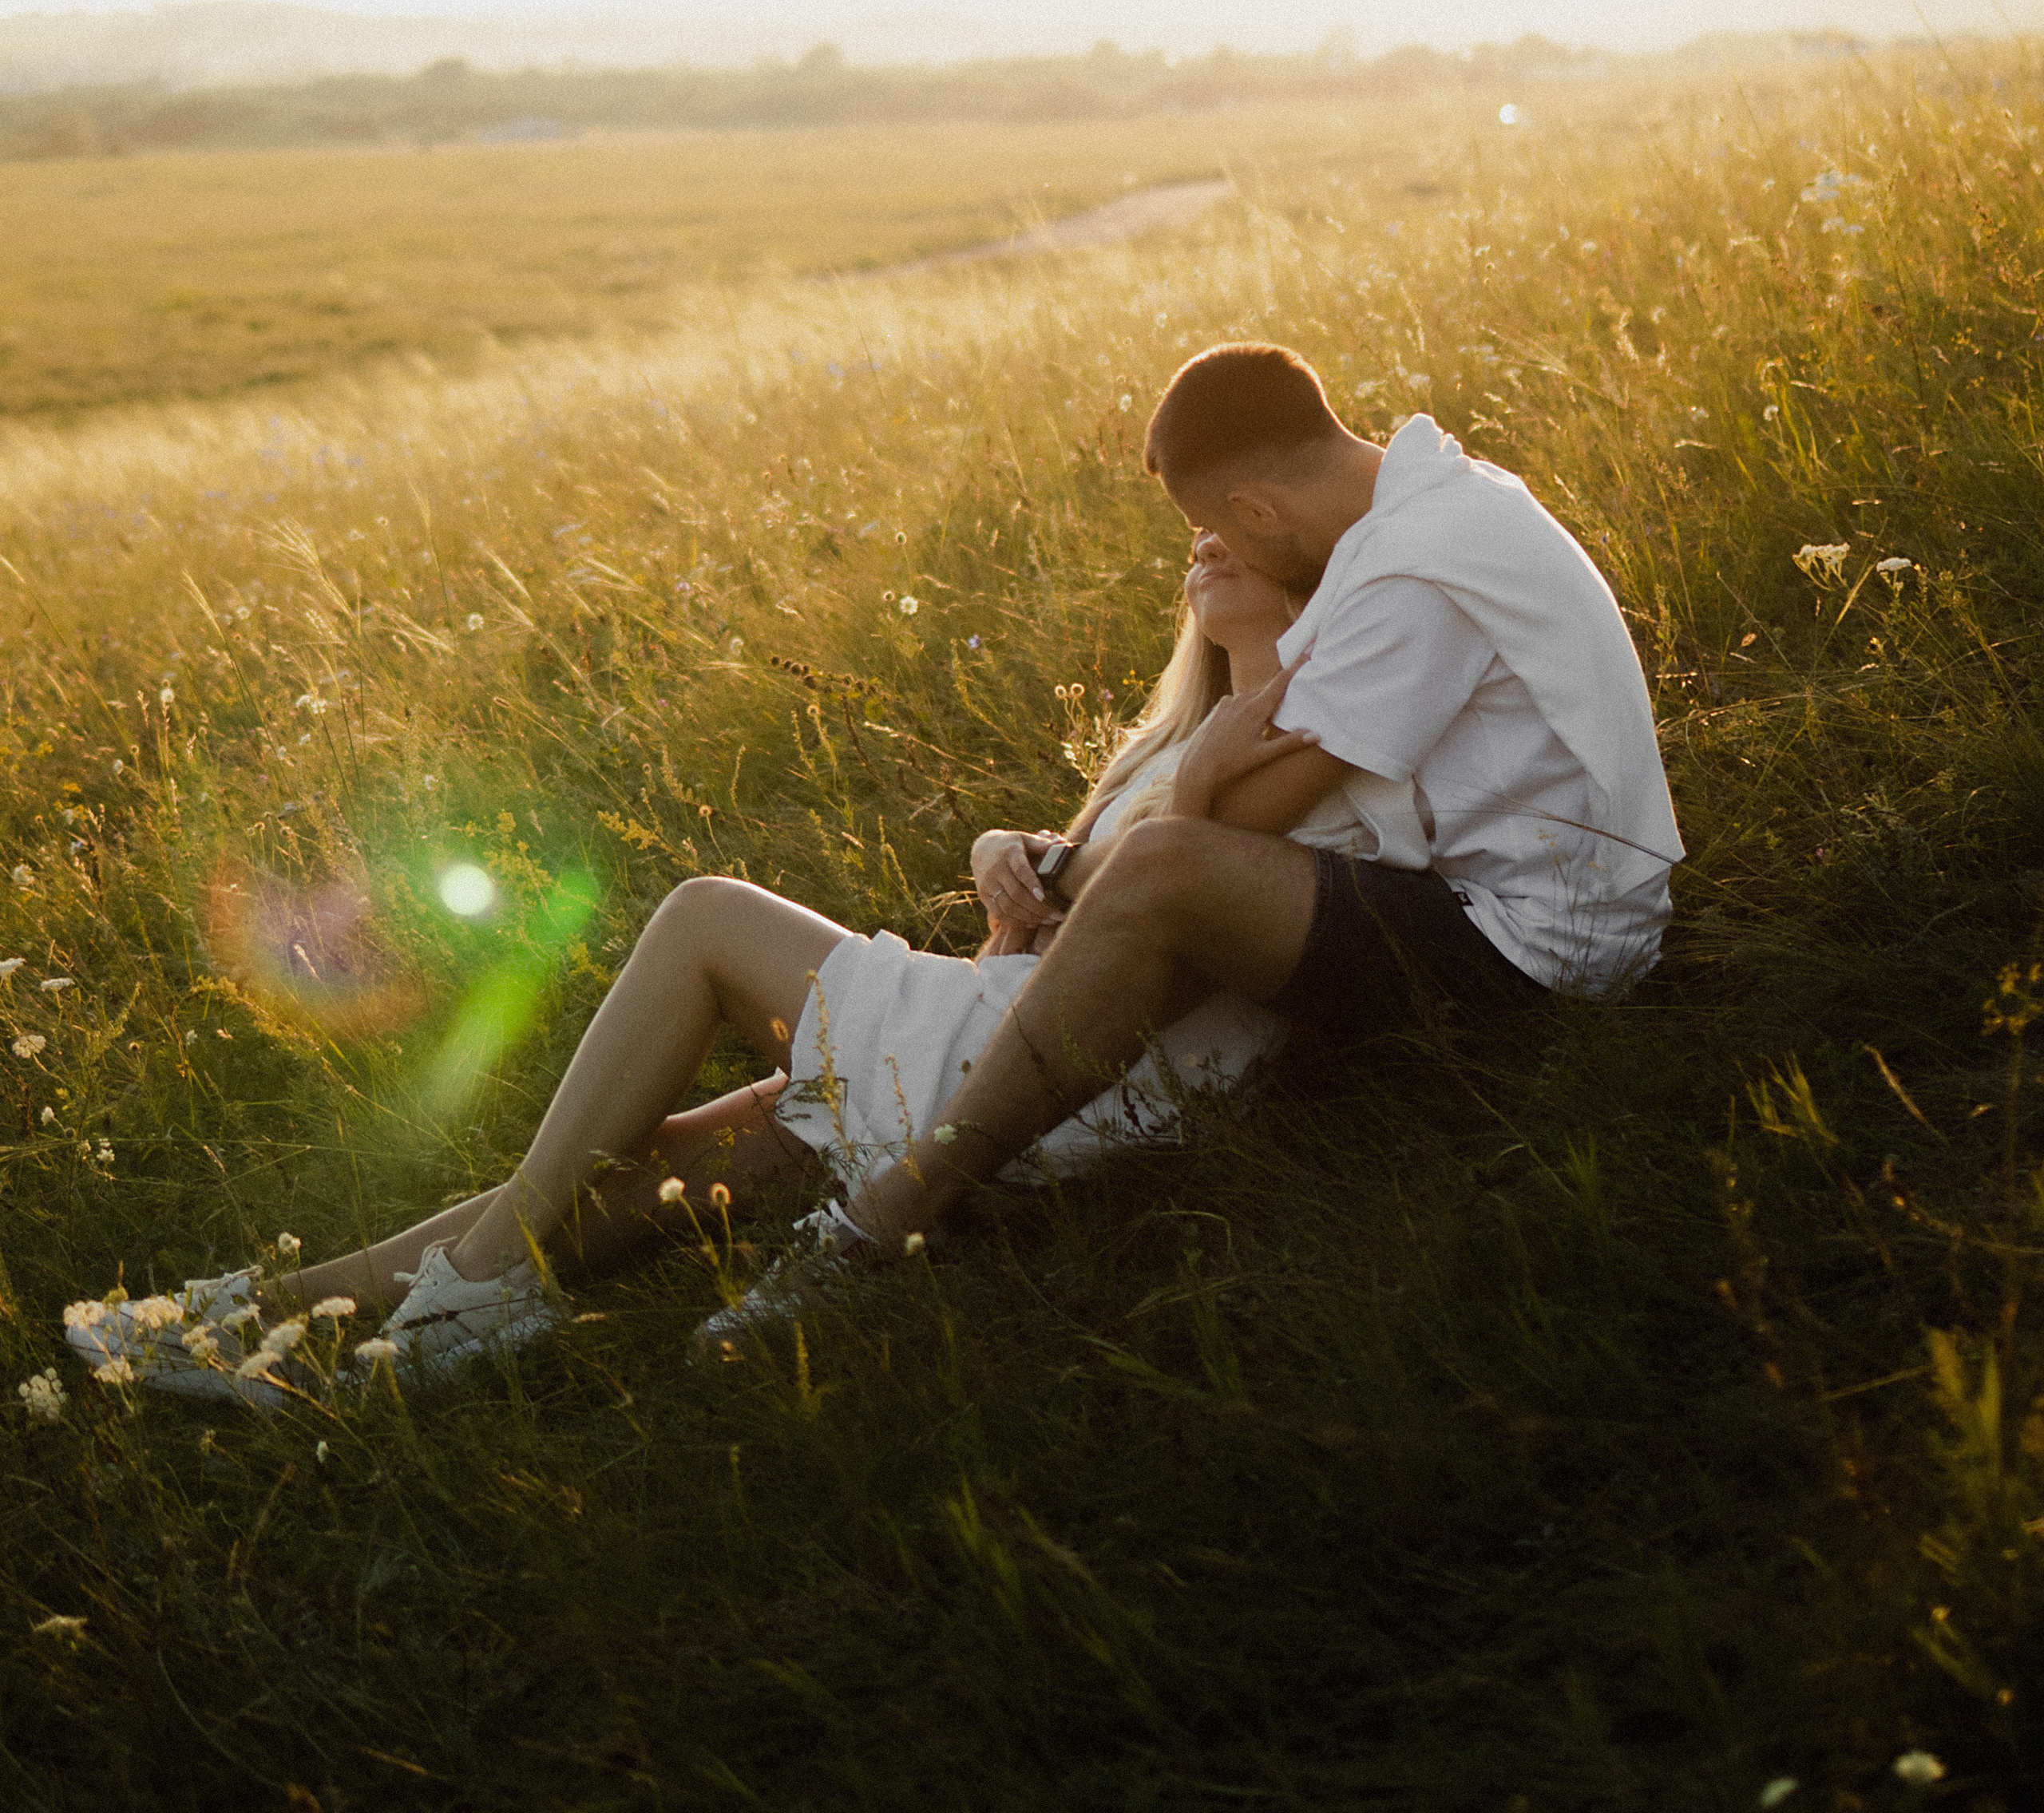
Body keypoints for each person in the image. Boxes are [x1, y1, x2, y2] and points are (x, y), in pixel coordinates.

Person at [62, 511, 1409, 1402]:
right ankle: (266, 1320)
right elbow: (1052, 945)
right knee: (641, 1164)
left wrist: (1118, 838)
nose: (1203, 541)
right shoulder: (1182, 735)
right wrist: (1015, 868)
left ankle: (458, 1292)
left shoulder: (1303, 735)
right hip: (996, 1037)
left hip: (1056, 1095)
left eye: (1236, 529)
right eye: (1193, 531)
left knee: (707, 914)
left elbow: (1171, 944)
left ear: (1307, 570)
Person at [746, 339, 1686, 1316]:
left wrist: (1098, 838)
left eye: (1215, 527)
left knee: (1164, 868)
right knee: (1164, 863)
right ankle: (931, 1140)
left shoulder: (1411, 574)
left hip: (1538, 949)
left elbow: (1238, 819)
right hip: (1503, 905)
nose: (1217, 548)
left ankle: (893, 1211)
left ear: (1257, 509)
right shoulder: (1445, 498)